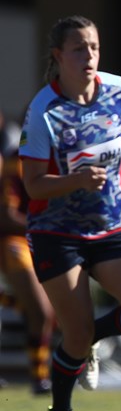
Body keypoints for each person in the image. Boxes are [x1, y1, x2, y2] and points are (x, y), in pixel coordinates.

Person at [19, 15, 121, 411]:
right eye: (78, 49)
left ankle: (92, 340)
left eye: (94, 47)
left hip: (113, 226)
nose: (89, 56)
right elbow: (32, 185)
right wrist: (75, 181)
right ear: (58, 56)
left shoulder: (118, 88)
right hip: (57, 234)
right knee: (74, 331)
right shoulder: (43, 111)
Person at [0, 136, 56, 395]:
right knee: (41, 311)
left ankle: (40, 378)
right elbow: (7, 216)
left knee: (44, 312)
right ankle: (40, 378)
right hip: (17, 242)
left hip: (37, 240)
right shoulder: (17, 161)